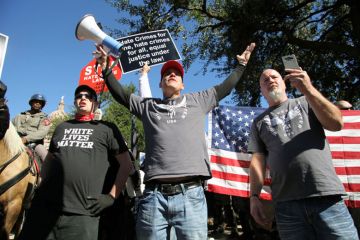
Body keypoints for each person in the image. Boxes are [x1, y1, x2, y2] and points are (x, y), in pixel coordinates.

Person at [95, 42, 256, 239]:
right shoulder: (148, 106)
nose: (171, 75)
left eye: (176, 74)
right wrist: (106, 70)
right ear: (160, 84)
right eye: (166, 74)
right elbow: (121, 95)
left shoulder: (199, 100)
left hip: (191, 196)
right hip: (153, 198)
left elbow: (225, 87)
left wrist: (241, 66)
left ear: (182, 84)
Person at [248, 68, 358, 239]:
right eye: (264, 80)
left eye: (274, 76)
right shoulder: (258, 123)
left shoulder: (307, 101)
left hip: (326, 198)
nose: (270, 80)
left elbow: (336, 123)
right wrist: (254, 196)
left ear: (284, 83)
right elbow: (257, 161)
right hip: (286, 206)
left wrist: (308, 88)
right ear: (261, 91)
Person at [18, 84, 133, 240]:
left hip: (83, 213)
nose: (83, 98)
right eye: (79, 96)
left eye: (88, 96)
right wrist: (40, 187)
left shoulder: (107, 129)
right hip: (47, 208)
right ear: (75, 102)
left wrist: (111, 197)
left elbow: (126, 165)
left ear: (96, 104)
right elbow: (49, 161)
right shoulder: (61, 127)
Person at [12, 93, 50, 160]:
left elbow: (42, 133)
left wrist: (26, 139)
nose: (37, 103)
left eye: (40, 103)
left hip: (34, 144)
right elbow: (10, 128)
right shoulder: (19, 116)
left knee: (47, 158)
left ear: (42, 105)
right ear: (31, 103)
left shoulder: (44, 118)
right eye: (36, 101)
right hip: (16, 141)